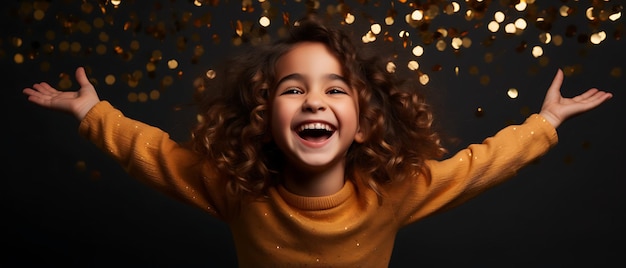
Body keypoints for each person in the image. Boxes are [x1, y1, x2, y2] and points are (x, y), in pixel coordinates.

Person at [23, 16, 612, 267]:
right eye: (292, 89)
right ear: (260, 114)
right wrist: (91, 111)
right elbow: (149, 151)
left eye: (336, 90)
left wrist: (545, 124)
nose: (313, 102)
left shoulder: (396, 192)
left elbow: (477, 165)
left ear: (363, 118)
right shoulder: (236, 191)